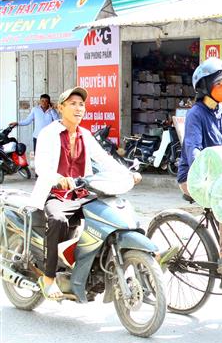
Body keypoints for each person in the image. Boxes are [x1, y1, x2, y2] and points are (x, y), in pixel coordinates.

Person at [30, 87, 141, 300]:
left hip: (83, 193)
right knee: (58, 221)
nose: (78, 108)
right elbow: (41, 166)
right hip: (56, 193)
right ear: (61, 108)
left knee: (113, 217)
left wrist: (128, 173)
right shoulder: (48, 133)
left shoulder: (85, 134)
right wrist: (58, 178)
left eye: (81, 104)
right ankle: (49, 278)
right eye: (72, 104)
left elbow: (105, 159)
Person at [174, 58, 222, 274]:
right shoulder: (196, 114)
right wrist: (207, 172)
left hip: (221, 176)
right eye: (218, 84)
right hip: (194, 178)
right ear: (205, 87)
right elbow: (192, 150)